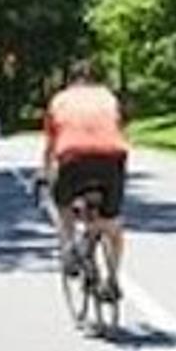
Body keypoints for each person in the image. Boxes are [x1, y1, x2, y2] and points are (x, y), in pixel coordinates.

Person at [41, 59, 130, 302]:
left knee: (62, 205)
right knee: (112, 226)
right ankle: (112, 280)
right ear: (95, 80)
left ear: (71, 81)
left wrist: (45, 174)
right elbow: (119, 128)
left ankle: (69, 245)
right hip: (112, 157)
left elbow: (50, 147)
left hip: (72, 157)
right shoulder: (108, 97)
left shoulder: (59, 100)